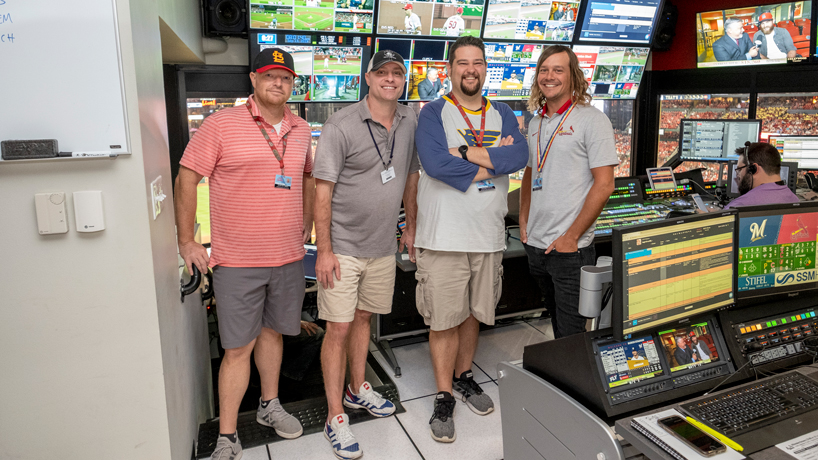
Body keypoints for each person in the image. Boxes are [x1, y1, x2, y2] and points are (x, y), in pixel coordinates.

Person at [175, 48, 313, 460]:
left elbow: (306, 178)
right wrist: (187, 240)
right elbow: (186, 178)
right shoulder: (221, 124)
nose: (279, 83)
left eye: (286, 78)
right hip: (237, 261)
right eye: (271, 76)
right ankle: (229, 435)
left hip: (288, 258)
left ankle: (270, 406)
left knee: (274, 334)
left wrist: (304, 224)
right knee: (237, 349)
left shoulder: (302, 128)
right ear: (254, 79)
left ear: (293, 84)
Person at [414, 36, 528, 443]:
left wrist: (463, 152)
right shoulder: (432, 113)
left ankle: (464, 377)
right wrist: (490, 161)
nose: (470, 70)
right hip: (443, 237)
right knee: (444, 319)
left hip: (488, 236)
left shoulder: (503, 112)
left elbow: (520, 157)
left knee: (474, 315)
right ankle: (443, 394)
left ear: (485, 67)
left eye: (477, 62)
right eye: (462, 63)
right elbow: (435, 164)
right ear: (450, 70)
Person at [312, 50, 420, 460]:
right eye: (382, 73)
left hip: (381, 246)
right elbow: (322, 190)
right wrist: (323, 250)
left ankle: (358, 390)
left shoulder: (410, 119)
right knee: (337, 328)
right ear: (368, 79)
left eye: (397, 72)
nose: (390, 79)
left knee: (363, 319)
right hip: (341, 248)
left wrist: (409, 226)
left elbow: (409, 173)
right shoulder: (341, 124)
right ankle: (334, 413)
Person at [519, 45, 617, 339]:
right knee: (556, 327)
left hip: (570, 250)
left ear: (573, 76)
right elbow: (529, 172)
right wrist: (524, 221)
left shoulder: (592, 119)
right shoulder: (536, 122)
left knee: (572, 336)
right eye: (544, 70)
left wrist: (571, 236)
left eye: (558, 70)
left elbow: (605, 184)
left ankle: (572, 383)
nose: (549, 76)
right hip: (536, 246)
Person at [726, 142, 799, 209]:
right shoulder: (795, 200)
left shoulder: (738, 206)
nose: (738, 175)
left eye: (739, 169)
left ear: (754, 169)